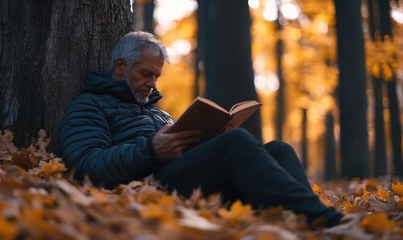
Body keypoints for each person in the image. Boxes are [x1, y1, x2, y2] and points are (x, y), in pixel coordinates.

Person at [60, 31, 343, 227]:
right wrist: (151, 151)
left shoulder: (159, 114)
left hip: (184, 180)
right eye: (146, 74)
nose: (152, 84)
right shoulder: (90, 105)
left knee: (279, 149)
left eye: (157, 76)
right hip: (149, 190)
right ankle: (326, 221)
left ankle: (306, 221)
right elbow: (86, 166)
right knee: (236, 145)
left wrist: (211, 138)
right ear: (121, 68)